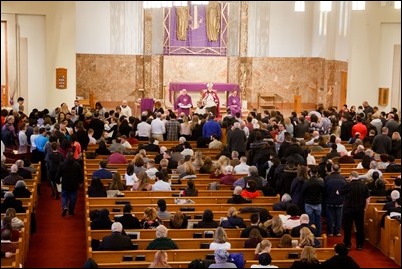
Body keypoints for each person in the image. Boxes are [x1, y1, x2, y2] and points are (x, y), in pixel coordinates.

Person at [339, 171, 370, 250]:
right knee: (360, 227)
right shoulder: (364, 186)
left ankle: (347, 244)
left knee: (347, 227)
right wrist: (365, 208)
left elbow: (338, 192)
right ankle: (359, 245)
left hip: (349, 209)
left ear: (350, 177)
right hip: (360, 209)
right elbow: (367, 199)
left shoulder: (348, 185)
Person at [55, 151, 83, 217]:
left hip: (65, 184)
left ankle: (64, 206)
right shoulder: (77, 165)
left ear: (66, 156)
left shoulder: (62, 164)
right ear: (73, 157)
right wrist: (81, 182)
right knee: (73, 198)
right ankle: (71, 211)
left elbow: (58, 175)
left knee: (64, 196)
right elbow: (81, 175)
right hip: (74, 184)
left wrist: (58, 181)